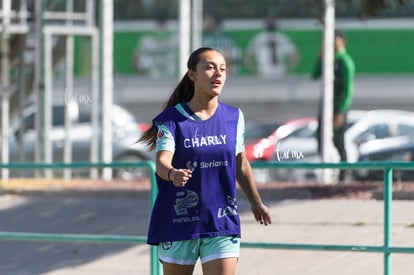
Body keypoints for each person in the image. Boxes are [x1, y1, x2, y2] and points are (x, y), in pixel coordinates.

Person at [138, 47, 271, 275]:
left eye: (222, 69)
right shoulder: (171, 120)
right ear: (192, 75)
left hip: (221, 222)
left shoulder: (234, 117)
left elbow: (240, 162)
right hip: (179, 222)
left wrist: (256, 202)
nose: (217, 74)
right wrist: (172, 174)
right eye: (209, 68)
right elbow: (161, 162)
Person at [312, 30, 355, 181]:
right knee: (320, 136)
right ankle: (326, 170)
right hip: (325, 104)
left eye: (335, 39)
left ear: (342, 41)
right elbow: (314, 75)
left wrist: (341, 111)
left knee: (339, 139)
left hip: (337, 106)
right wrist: (320, 57)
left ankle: (345, 173)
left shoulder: (345, 61)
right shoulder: (329, 59)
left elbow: (348, 89)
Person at [244, 15, 299, 79]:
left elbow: (295, 57)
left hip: (280, 73)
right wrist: (257, 72)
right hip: (263, 73)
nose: (271, 24)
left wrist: (286, 70)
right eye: (269, 22)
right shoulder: (258, 39)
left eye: (272, 22)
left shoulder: (283, 39)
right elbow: (247, 58)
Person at [133, 11, 178, 78]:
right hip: (154, 77)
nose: (161, 26)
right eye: (160, 23)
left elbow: (136, 57)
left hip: (171, 77)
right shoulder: (148, 37)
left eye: (162, 23)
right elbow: (136, 57)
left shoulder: (174, 36)